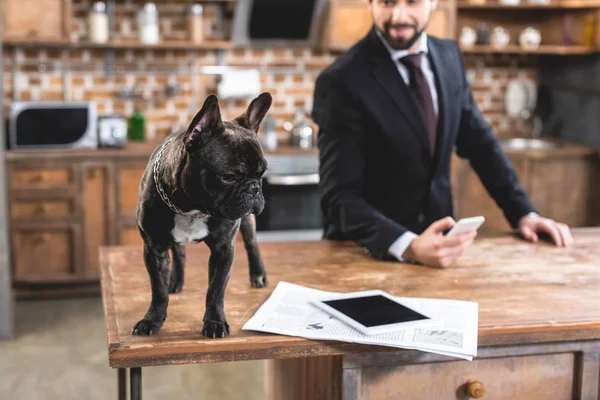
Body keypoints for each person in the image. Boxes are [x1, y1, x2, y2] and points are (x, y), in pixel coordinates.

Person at [311, 0, 573, 267]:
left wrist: (524, 213)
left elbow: (481, 145)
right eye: (387, 2)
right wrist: (408, 245)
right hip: (365, 254)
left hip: (442, 252)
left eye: (412, 2)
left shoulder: (448, 55)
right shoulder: (340, 80)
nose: (398, 15)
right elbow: (339, 197)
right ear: (370, 4)